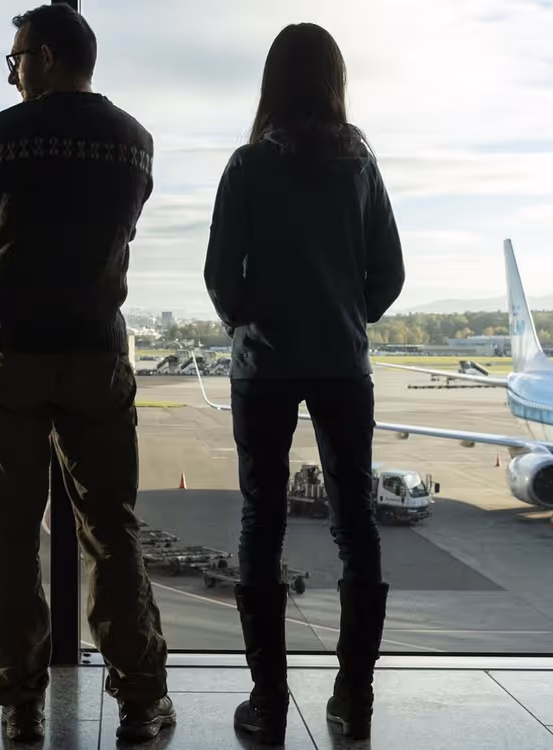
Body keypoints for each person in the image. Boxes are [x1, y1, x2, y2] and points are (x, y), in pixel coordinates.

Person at [0, 4, 173, 744]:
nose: (11, 71)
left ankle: (20, 700)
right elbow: (123, 224)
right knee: (112, 527)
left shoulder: (5, 134)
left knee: (10, 530)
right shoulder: (133, 142)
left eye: (15, 58)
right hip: (96, 351)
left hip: (11, 348)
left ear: (45, 57)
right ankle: (140, 696)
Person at [203, 23, 405, 745]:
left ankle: (268, 700)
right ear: (333, 82)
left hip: (265, 365)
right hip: (344, 364)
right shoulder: (360, 168)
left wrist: (251, 319)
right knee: (357, 524)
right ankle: (355, 698)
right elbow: (390, 275)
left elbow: (220, 277)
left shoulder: (247, 166)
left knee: (263, 523)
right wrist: (346, 313)